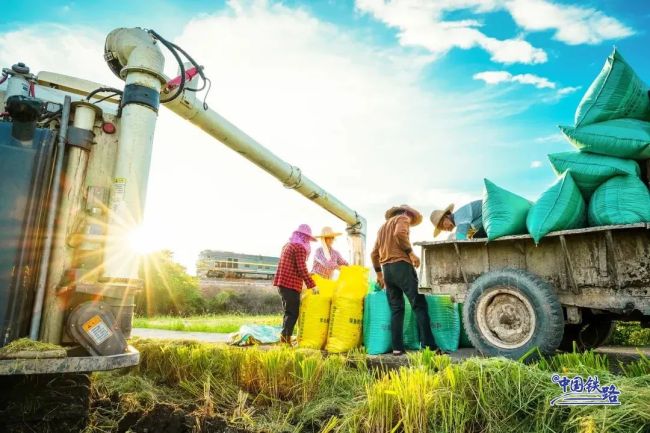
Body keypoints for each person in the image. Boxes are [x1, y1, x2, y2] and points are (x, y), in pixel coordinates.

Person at [371, 204, 436, 356]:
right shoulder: (403, 218)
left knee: (396, 309)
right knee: (419, 305)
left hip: (387, 271)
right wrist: (411, 253)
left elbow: (374, 253)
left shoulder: (382, 228)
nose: (410, 222)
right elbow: (400, 233)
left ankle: (397, 348)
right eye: (411, 219)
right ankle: (430, 347)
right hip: (401, 266)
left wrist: (379, 274)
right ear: (407, 213)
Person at [273, 224, 317, 344]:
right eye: (307, 238)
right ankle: (285, 341)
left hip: (282, 284)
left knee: (288, 312)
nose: (308, 241)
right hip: (290, 285)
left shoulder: (288, 245)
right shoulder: (300, 248)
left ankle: (284, 338)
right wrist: (312, 285)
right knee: (293, 313)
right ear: (304, 237)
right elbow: (302, 268)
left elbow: (296, 267)